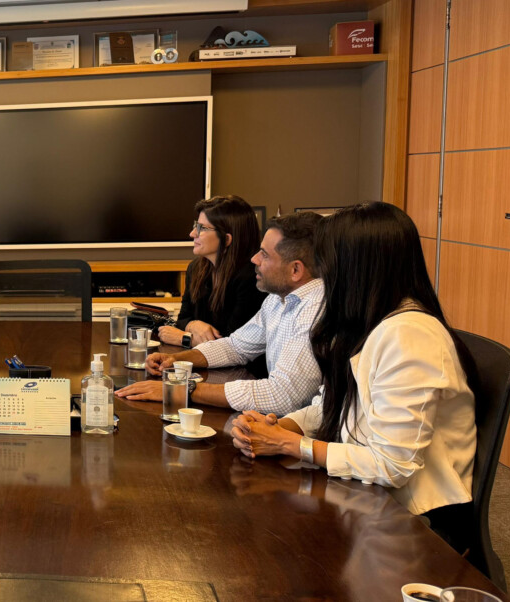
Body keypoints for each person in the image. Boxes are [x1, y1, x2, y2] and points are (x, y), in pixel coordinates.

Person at [231, 202, 476, 551]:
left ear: (355, 267)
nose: (320, 276)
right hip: (364, 495)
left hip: (414, 523)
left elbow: (393, 465)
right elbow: (331, 405)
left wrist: (288, 444)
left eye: (326, 264)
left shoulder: (410, 336)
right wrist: (277, 428)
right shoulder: (367, 322)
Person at [116, 212, 325, 415]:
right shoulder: (278, 299)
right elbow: (236, 346)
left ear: (295, 270)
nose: (254, 259)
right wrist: (175, 359)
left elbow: (282, 396)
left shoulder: (314, 310)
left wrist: (182, 388)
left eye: (265, 254)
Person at [157, 195, 266, 348]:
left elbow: (235, 345)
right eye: (196, 225)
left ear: (226, 240)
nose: (192, 233)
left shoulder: (252, 278)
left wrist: (185, 338)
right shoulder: (195, 268)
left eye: (202, 228)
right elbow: (182, 319)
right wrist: (194, 324)